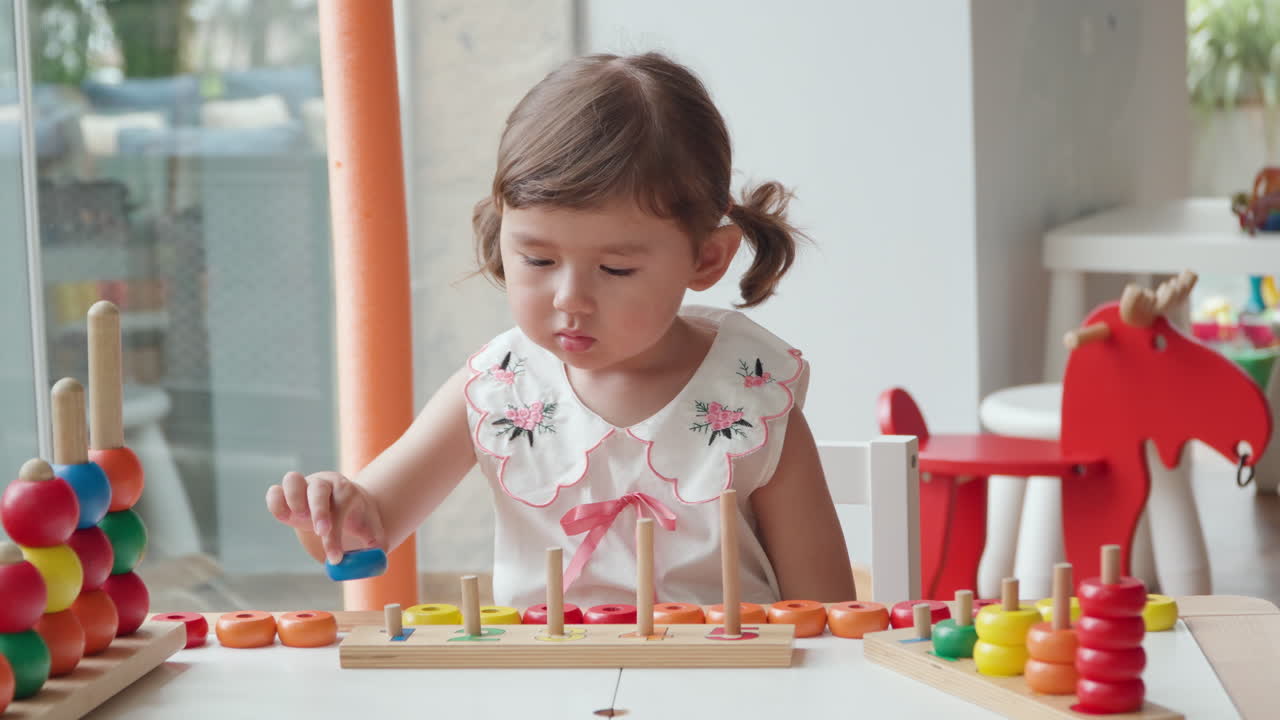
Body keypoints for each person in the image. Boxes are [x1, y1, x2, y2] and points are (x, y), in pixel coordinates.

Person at [266, 52, 854, 608]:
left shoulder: (750, 394)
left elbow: (827, 616)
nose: (570, 298)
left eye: (616, 269)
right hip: (541, 689)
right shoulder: (501, 386)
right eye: (539, 261)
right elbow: (368, 530)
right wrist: (329, 514)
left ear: (706, 259)